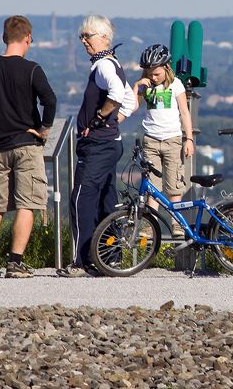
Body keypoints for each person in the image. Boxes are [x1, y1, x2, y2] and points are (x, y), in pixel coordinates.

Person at [0, 15, 57, 279]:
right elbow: (49, 100)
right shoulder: (32, 69)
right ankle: (15, 263)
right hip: (27, 145)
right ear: (28, 38)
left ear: (4, 38)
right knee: (27, 203)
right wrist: (44, 129)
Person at [58, 15, 135, 277]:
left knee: (82, 198)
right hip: (110, 144)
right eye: (81, 36)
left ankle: (83, 261)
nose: (83, 41)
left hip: (98, 146)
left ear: (103, 38)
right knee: (106, 200)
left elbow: (117, 94)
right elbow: (131, 101)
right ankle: (110, 257)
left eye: (87, 36)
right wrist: (114, 121)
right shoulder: (112, 63)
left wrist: (101, 118)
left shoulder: (104, 65)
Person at [132, 44, 194, 237]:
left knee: (174, 185)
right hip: (151, 140)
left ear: (166, 68)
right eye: (150, 73)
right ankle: (150, 227)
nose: (153, 77)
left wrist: (189, 138)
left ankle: (177, 225)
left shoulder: (176, 85)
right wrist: (136, 87)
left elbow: (184, 112)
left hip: (172, 140)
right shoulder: (146, 86)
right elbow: (132, 107)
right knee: (152, 186)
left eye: (156, 74)